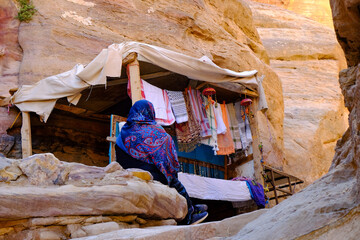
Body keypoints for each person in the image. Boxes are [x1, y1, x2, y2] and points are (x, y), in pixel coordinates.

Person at [115, 99, 208, 225]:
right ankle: (188, 217)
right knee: (174, 182)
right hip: (153, 176)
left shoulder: (122, 134)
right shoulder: (156, 132)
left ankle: (191, 208)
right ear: (150, 113)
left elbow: (120, 161)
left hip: (130, 175)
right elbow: (169, 165)